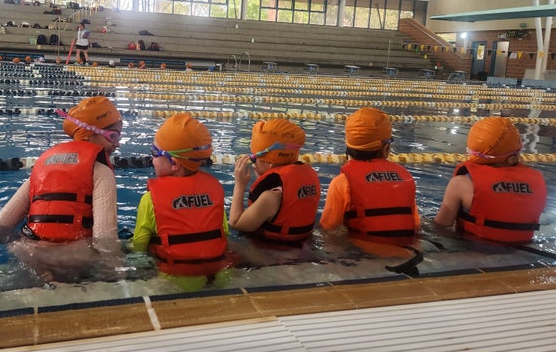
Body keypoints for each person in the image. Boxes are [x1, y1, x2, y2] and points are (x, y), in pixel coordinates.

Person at [0, 96, 123, 279]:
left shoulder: (43, 165)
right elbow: (105, 240)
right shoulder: (101, 172)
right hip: (72, 259)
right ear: (90, 133)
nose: (117, 143)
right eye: (113, 135)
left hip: (27, 253)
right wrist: (118, 272)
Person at [131, 112, 229, 289]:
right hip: (217, 276)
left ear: (174, 164)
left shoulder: (150, 199)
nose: (151, 159)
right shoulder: (215, 190)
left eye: (154, 152)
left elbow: (139, 246)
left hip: (172, 280)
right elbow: (224, 234)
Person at [434, 116, 547, 243]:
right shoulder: (537, 181)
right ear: (512, 157)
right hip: (525, 251)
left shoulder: (461, 183)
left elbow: (440, 227)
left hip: (471, 253)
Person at [321, 107, 419, 245]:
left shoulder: (342, 182)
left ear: (348, 146)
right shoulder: (406, 178)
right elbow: (416, 226)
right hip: (408, 254)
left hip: (364, 257)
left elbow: (329, 229)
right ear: (386, 148)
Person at [229, 119, 320, 245]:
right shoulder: (310, 176)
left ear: (269, 162)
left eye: (255, 158)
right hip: (303, 248)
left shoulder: (270, 198)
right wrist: (263, 176)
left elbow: (236, 223)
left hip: (271, 256)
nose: (253, 163)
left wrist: (239, 185)